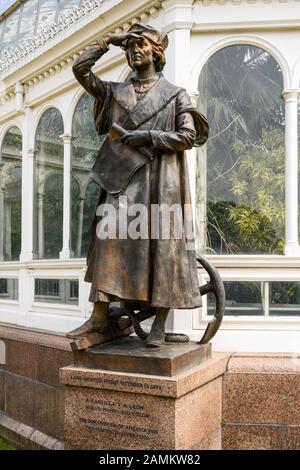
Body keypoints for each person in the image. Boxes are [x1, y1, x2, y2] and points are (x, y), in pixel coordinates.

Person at [67, 24, 208, 347]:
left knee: (163, 248)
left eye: (140, 45)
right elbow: (80, 69)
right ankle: (99, 318)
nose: (133, 51)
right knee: (107, 244)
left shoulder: (174, 95)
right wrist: (107, 40)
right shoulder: (115, 92)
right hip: (120, 182)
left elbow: (188, 137)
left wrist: (148, 136)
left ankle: (159, 323)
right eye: (129, 47)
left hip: (160, 183)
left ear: (156, 53)